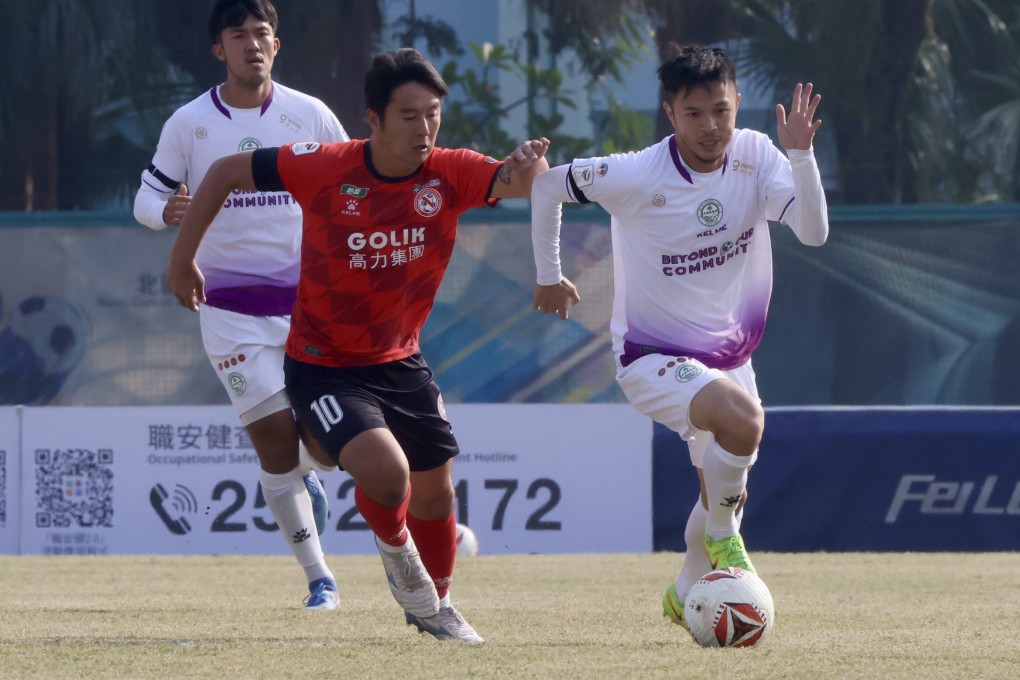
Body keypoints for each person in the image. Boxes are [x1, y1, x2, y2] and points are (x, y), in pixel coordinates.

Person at [165, 47, 553, 643]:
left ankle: (435, 606)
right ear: (372, 119)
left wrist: (525, 166)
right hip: (323, 365)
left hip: (402, 360)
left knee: (435, 488)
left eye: (432, 114)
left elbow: (514, 181)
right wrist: (183, 258)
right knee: (388, 472)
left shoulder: (449, 171)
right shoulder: (322, 164)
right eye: (409, 116)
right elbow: (222, 172)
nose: (425, 129)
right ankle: (411, 583)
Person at [530, 44, 828, 634]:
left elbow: (814, 234)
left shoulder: (756, 154)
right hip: (651, 356)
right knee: (741, 428)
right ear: (671, 112)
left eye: (721, 109)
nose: (711, 126)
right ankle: (720, 541)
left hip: (730, 357)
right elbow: (546, 189)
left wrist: (801, 156)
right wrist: (547, 275)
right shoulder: (637, 173)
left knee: (723, 491)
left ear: (737, 103)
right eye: (695, 113)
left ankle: (687, 587)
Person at [133, 0, 349, 611]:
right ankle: (320, 581)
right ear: (218, 50)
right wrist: (166, 214)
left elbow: (352, 186)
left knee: (327, 446)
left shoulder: (311, 115)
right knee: (274, 447)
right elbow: (144, 203)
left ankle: (311, 467)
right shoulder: (189, 123)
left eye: (262, 34)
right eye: (238, 35)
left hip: (312, 309)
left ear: (276, 47)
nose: (252, 44)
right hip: (228, 312)